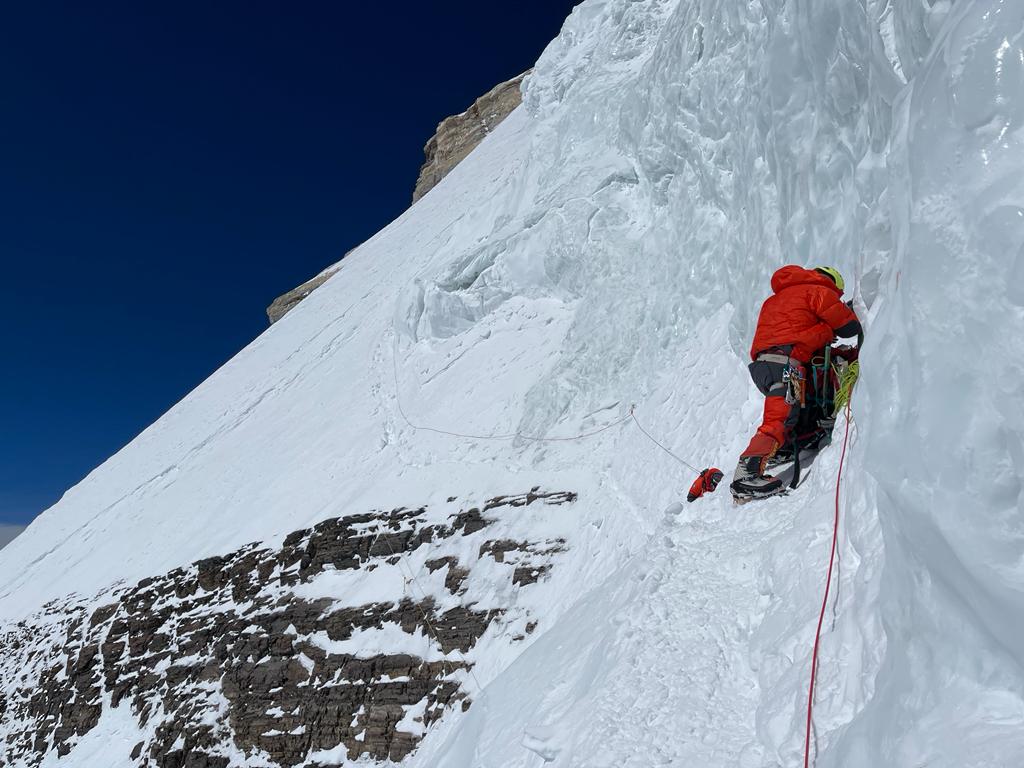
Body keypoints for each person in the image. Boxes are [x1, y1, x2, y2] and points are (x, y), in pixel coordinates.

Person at [731, 265, 862, 499]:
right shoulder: (818, 291)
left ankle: (785, 447)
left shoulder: (776, 299)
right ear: (832, 282)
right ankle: (746, 474)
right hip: (786, 364)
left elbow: (794, 331)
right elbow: (849, 327)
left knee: (793, 411)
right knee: (778, 419)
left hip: (764, 367)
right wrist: (848, 312)